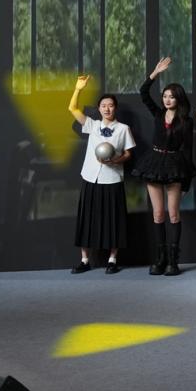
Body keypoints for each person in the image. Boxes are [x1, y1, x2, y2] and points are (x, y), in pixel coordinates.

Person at [134, 57, 196, 276]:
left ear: (179, 98)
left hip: (174, 165)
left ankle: (173, 261)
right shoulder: (158, 113)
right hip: (154, 162)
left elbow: (188, 150)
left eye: (171, 96)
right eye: (165, 96)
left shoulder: (186, 121)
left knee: (173, 214)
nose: (167, 99)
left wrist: (186, 181)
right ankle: (160, 259)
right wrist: (155, 73)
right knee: (158, 214)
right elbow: (143, 93)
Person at [67, 75, 135, 274]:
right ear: (99, 109)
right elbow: (72, 109)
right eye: (103, 106)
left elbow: (129, 153)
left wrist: (116, 160)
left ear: (115, 108)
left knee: (113, 219)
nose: (107, 109)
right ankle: (85, 260)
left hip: (112, 179)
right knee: (87, 218)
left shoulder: (123, 129)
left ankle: (112, 260)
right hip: (91, 177)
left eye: (110, 105)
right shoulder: (92, 125)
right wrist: (78, 89)